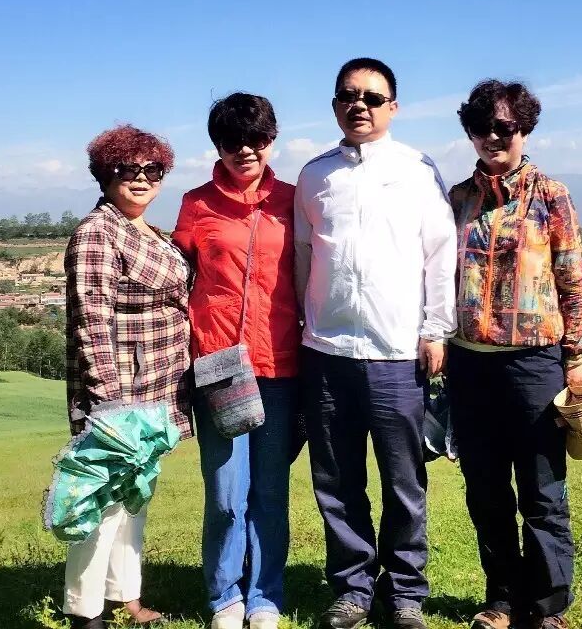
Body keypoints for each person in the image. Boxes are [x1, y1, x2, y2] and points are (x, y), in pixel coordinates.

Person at [294, 57, 457, 629]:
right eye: (348, 95)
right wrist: (304, 324)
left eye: (371, 96)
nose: (358, 105)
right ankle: (352, 589)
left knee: (403, 480)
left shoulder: (417, 169)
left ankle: (406, 591)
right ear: (334, 105)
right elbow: (304, 254)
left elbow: (440, 253)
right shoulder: (315, 175)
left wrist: (436, 328)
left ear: (393, 106)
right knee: (337, 481)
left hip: (396, 352)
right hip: (327, 350)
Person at [444, 80, 582, 629]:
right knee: (485, 490)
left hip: (534, 363)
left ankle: (548, 606)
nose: (492, 137)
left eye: (504, 127)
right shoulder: (457, 199)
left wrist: (575, 357)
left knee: (541, 489)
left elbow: (572, 279)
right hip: (468, 363)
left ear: (524, 128)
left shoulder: (551, 195)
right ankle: (502, 600)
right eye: (480, 127)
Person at [173, 93, 301, 629]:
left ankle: (264, 595)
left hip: (281, 365)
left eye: (257, 139)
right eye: (231, 141)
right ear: (217, 145)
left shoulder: (293, 199)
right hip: (220, 364)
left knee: (269, 491)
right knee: (227, 493)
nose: (245, 150)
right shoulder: (196, 205)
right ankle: (224, 594)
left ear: (271, 140)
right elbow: (178, 277)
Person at [62, 124, 193, 629]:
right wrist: (109, 404)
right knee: (100, 502)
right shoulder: (98, 233)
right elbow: (91, 321)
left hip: (157, 387)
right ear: (104, 173)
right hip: (119, 394)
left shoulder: (145, 230)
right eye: (127, 169)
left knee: (135, 493)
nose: (141, 178)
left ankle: (125, 596)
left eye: (152, 170)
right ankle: (85, 610)